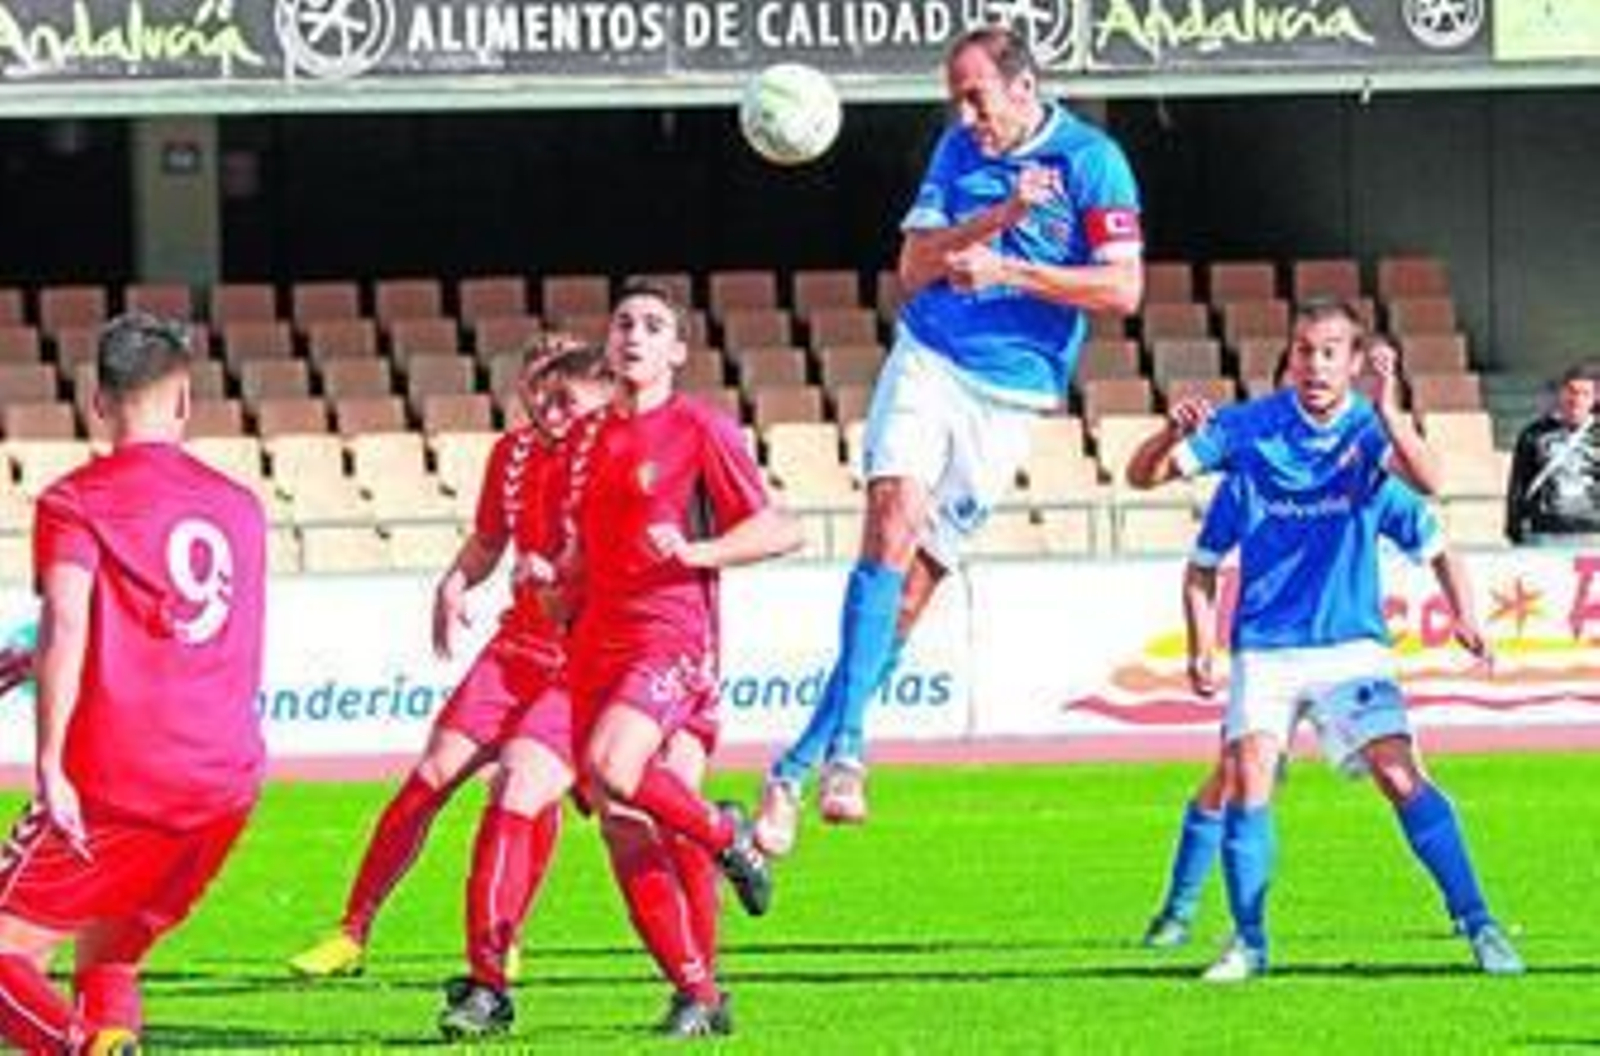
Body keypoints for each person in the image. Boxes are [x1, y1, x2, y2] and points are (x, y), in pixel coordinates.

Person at [757, 23, 1146, 857]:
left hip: (1013, 393)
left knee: (913, 591)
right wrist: (998, 218)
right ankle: (850, 752)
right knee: (890, 519)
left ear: (1023, 87)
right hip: (931, 355)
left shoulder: (1093, 161)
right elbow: (913, 266)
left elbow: (1123, 289)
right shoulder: (957, 152)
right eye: (956, 98)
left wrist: (1012, 269)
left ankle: (793, 765)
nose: (966, 112)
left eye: (977, 96)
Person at [1125, 299, 1523, 982]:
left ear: (1352, 360)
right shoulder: (1251, 432)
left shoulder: (1369, 437)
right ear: (1290, 356)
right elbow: (1143, 478)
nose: (1315, 364)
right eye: (1305, 350)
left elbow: (1431, 490)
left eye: (1330, 351)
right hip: (1266, 647)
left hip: (1349, 645)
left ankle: (1480, 924)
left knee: (1400, 777)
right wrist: (1167, 434)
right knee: (1247, 780)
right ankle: (1248, 943)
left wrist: (1463, 614)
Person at [289, 339, 613, 1006]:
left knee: (527, 788)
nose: (547, 409)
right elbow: (491, 539)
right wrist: (455, 582)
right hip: (515, 649)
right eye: (537, 392)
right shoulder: (512, 454)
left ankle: (504, 935)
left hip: (579, 661)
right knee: (431, 776)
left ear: (600, 399)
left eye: (563, 398)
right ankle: (352, 931)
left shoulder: (615, 458)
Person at [0, 312, 267, 1055]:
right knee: (110, 952)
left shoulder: (77, 501)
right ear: (184, 401)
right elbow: (186, 626)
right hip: (223, 785)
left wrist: (50, 762)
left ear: (97, 402)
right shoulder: (241, 508)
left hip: (123, 785)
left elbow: (67, 622)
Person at [571, 281, 803, 1037]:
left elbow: (780, 529)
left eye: (652, 325)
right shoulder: (589, 438)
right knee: (625, 824)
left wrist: (696, 550)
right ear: (608, 344)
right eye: (623, 323)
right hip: (595, 644)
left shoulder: (699, 428)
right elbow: (587, 549)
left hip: (670, 637)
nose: (633, 334)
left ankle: (727, 835)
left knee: (616, 765)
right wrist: (553, 574)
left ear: (677, 350)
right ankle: (699, 994)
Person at [1505, 366, 1600, 544]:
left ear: (1595, 398)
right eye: (1571, 392)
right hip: (1546, 530)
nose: (1576, 399)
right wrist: (1513, 525)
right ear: (1561, 394)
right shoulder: (1534, 433)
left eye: (1584, 393)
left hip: (1594, 531)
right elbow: (1519, 482)